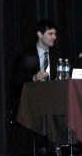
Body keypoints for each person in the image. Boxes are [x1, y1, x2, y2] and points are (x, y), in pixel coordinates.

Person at [11, 20, 62, 155]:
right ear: (39, 34)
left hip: (54, 103)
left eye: (55, 34)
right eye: (50, 34)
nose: (54, 37)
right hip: (32, 105)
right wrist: (34, 78)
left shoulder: (57, 57)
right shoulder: (25, 56)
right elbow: (16, 81)